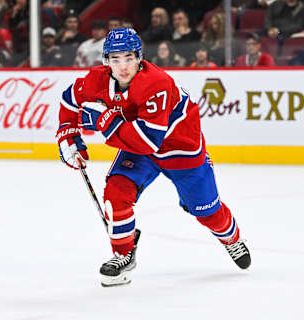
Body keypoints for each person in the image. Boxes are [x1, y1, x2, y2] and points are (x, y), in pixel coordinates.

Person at [55, 27, 251, 287]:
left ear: (139, 57)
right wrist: (68, 134)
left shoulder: (156, 83)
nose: (123, 67)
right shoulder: (97, 79)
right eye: (115, 59)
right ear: (106, 61)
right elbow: (69, 100)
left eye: (128, 58)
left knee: (207, 212)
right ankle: (124, 254)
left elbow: (148, 141)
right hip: (139, 147)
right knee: (116, 194)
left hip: (181, 151)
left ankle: (232, 239)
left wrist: (104, 120)